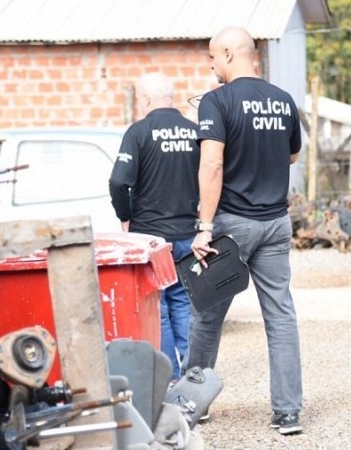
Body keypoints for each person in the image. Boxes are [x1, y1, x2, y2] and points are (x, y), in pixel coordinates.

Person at [185, 26, 304, 434]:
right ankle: (288, 413)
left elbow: (212, 165)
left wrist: (203, 227)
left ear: (230, 54)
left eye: (212, 57)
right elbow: (291, 156)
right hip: (275, 223)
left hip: (232, 226)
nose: (211, 64)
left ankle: (189, 406)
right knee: (281, 317)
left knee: (206, 315)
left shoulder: (216, 102)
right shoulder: (284, 101)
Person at [109, 72, 201, 381]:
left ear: (146, 99)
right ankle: (195, 379)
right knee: (184, 305)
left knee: (157, 309)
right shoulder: (195, 132)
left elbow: (119, 181)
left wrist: (125, 217)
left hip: (152, 240)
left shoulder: (138, 132)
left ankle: (170, 381)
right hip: (189, 235)